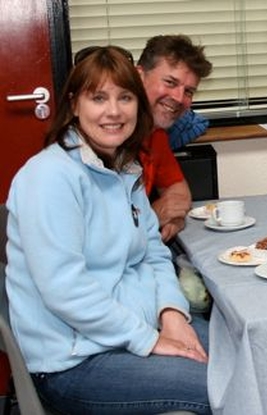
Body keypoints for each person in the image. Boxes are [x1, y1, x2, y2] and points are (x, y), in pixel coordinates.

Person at [5, 46, 210, 414]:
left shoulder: (124, 170)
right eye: (98, 97)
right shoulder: (50, 177)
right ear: (74, 105)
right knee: (229, 383)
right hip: (76, 362)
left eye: (125, 97)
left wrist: (172, 315)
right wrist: (148, 340)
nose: (114, 111)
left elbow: (154, 253)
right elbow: (66, 290)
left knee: (250, 356)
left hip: (136, 330)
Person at [137, 35, 213, 242]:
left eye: (188, 91)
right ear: (139, 76)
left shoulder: (155, 134)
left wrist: (174, 218)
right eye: (170, 82)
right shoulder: (109, 139)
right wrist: (152, 216)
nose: (179, 98)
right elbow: (97, 234)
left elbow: (178, 191)